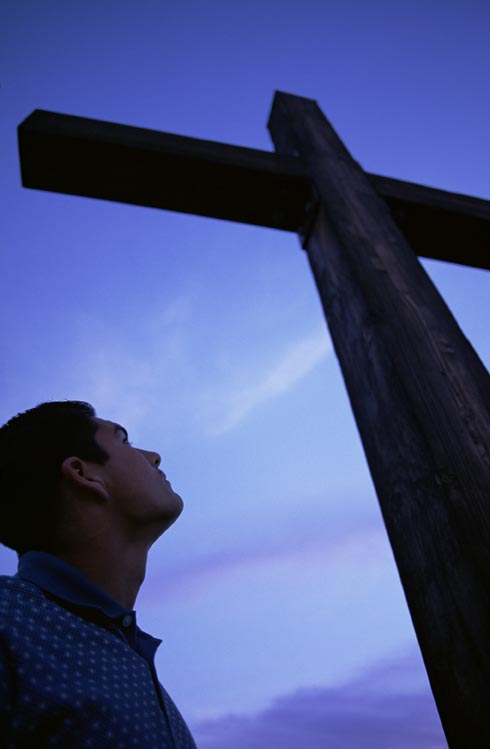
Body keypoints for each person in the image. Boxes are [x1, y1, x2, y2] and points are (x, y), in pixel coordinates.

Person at [0, 400, 197, 748]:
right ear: (84, 474)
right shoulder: (8, 623)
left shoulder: (138, 672)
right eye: (124, 441)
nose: (153, 456)